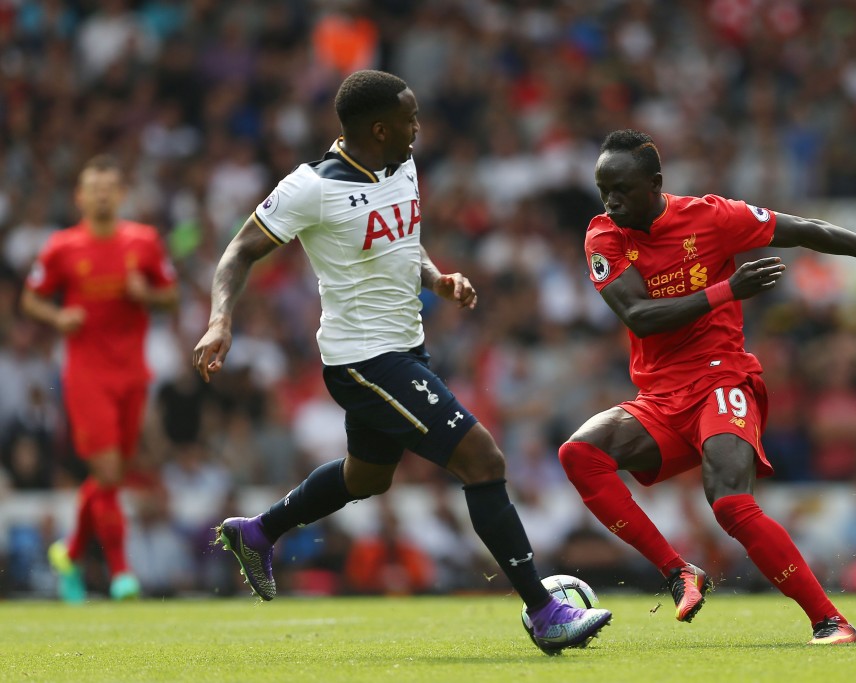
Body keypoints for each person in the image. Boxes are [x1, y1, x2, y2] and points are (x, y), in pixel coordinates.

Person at [192, 70, 611, 654]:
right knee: (482, 459)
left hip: (406, 347)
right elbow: (239, 250)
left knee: (367, 476)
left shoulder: (402, 165)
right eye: (410, 119)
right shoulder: (312, 186)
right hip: (362, 359)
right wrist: (220, 319)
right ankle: (544, 612)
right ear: (380, 128)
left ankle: (259, 531)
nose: (419, 128)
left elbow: (402, 241)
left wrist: (437, 278)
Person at [558, 129, 856, 645]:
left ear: (655, 184)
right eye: (602, 189)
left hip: (722, 377)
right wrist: (728, 289)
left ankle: (829, 620)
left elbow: (804, 230)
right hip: (659, 398)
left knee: (727, 503)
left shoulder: (711, 217)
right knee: (578, 454)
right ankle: (678, 570)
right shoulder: (604, 237)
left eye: (621, 189)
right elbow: (639, 316)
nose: (610, 201)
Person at [22, 154, 179, 601]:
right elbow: (30, 299)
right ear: (80, 196)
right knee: (109, 471)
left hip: (132, 374)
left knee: (110, 477)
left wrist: (145, 294)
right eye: (94, 187)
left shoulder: (145, 242)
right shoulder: (62, 247)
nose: (103, 194)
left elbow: (172, 298)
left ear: (122, 194)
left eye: (110, 186)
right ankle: (121, 572)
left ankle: (69, 553)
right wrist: (58, 316)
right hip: (86, 374)